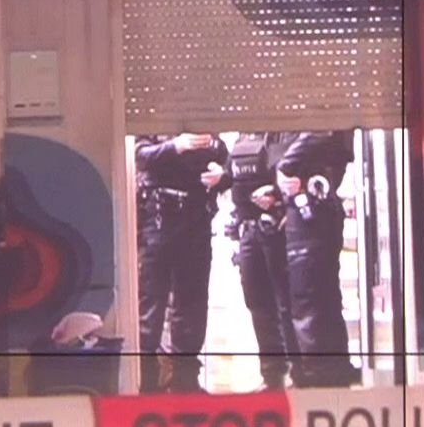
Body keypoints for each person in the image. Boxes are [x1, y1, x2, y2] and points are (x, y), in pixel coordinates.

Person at [134, 133, 230, 393]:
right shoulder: (153, 122)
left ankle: (186, 380)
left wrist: (221, 176)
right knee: (151, 301)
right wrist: (175, 146)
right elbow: (140, 155)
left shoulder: (207, 128)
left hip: (197, 217)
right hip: (159, 217)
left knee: (192, 302)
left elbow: (227, 162)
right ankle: (146, 382)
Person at [277, 130, 358, 388]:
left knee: (310, 297)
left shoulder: (317, 121)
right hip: (309, 211)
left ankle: (320, 377)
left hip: (314, 212)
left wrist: (285, 166)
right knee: (322, 297)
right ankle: (330, 374)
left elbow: (322, 129)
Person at [226, 132, 297, 389]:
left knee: (287, 304)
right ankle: (272, 375)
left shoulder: (281, 132)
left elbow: (295, 172)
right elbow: (230, 175)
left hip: (278, 228)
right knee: (258, 303)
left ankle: (299, 374)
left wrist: (278, 196)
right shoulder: (242, 137)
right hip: (248, 229)